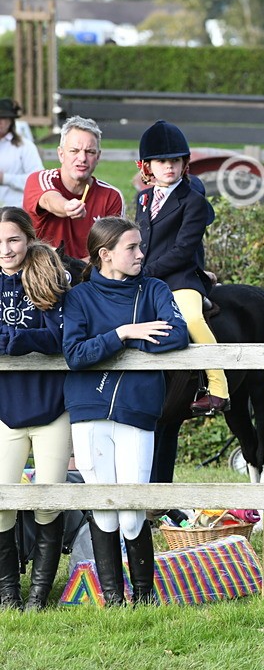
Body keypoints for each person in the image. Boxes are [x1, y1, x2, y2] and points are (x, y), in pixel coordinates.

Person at [62, 216, 189, 606]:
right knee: (102, 506)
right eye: (131, 248)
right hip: (89, 409)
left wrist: (128, 348)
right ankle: (115, 599)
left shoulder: (154, 289)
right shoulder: (80, 297)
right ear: (105, 255)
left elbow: (178, 334)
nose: (140, 253)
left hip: (138, 407)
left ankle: (145, 596)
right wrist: (124, 334)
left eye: (139, 246)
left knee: (133, 507)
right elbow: (76, 354)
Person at [0, 207, 70, 611]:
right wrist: (25, 337)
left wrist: (15, 339)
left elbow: (59, 336)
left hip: (50, 405)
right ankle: (9, 592)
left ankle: (39, 595)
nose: (7, 249)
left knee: (48, 500)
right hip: (4, 408)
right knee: (2, 501)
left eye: (14, 239)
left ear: (28, 238)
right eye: (0, 242)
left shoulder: (50, 279)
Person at [133, 121, 227, 414]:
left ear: (184, 163)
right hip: (145, 278)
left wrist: (145, 272)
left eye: (175, 160)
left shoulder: (193, 201)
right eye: (161, 161)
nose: (169, 167)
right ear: (148, 165)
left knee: (192, 319)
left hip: (180, 278)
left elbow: (183, 251)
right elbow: (142, 241)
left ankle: (218, 386)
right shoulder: (143, 198)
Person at [23, 116, 124, 261]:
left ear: (98, 157)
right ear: (61, 154)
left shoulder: (111, 196)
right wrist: (66, 207)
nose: (82, 158)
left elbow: (110, 251)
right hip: (43, 272)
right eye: (74, 151)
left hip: (89, 275)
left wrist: (78, 272)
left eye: (90, 152)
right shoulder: (40, 179)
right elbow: (49, 199)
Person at [0, 99, 43, 208]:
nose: (0, 121)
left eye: (3, 118)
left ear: (11, 121)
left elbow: (37, 181)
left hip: (16, 210)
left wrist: (5, 178)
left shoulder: (25, 147)